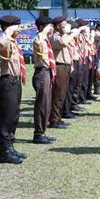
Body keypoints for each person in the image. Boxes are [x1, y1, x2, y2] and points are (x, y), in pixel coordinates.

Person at [0, 15, 28, 164]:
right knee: (6, 117)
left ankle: (10, 147)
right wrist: (8, 32)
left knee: (13, 116)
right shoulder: (5, 41)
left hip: (15, 81)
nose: (19, 30)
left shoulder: (13, 43)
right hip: (7, 82)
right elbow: (1, 41)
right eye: (17, 27)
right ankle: (4, 151)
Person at [49, 16, 81, 129]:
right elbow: (63, 43)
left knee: (62, 94)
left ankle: (57, 117)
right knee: (57, 95)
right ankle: (53, 119)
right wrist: (71, 34)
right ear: (58, 26)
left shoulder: (62, 36)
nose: (66, 26)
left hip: (65, 67)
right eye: (64, 24)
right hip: (59, 67)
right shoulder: (54, 37)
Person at [31, 16, 57, 144]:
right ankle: (38, 133)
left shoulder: (45, 39)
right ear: (42, 27)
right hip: (41, 72)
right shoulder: (39, 39)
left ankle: (42, 131)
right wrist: (42, 33)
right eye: (49, 26)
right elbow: (39, 48)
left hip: (46, 72)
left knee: (46, 104)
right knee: (42, 104)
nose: (51, 28)